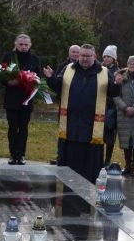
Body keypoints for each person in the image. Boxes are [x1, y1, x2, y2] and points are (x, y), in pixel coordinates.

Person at [43, 44, 122, 183]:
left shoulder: (104, 72)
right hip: (72, 123)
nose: (85, 59)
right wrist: (51, 78)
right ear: (78, 56)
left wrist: (117, 84)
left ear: (94, 56)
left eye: (88, 56)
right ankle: (68, 182)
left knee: (90, 159)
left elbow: (112, 92)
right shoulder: (68, 69)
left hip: (92, 125)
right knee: (70, 155)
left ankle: (89, 183)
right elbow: (58, 86)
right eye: (82, 55)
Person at [1, 34, 40, 165]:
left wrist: (33, 82)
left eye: (26, 45)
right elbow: (0, 76)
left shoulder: (35, 59)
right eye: (21, 44)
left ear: (30, 45)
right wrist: (9, 82)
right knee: (12, 128)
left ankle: (21, 155)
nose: (23, 47)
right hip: (12, 99)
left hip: (26, 100)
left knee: (23, 128)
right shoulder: (8, 57)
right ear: (16, 44)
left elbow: (39, 78)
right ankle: (13, 155)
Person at [50, 44, 81, 165]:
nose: (75, 54)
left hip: (79, 105)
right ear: (69, 53)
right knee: (63, 131)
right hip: (64, 104)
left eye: (77, 52)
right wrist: (50, 77)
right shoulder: (62, 66)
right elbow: (57, 85)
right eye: (73, 52)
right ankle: (60, 155)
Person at [102, 44, 119, 167]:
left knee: (110, 135)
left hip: (112, 107)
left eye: (109, 56)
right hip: (100, 105)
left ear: (114, 58)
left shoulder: (118, 72)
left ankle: (107, 160)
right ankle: (97, 158)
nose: (106, 59)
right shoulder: (100, 69)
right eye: (105, 56)